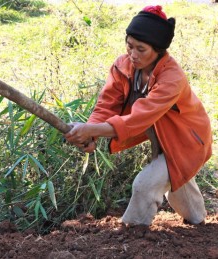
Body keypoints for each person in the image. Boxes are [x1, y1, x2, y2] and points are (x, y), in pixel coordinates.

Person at [64, 5, 212, 226]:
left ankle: (132, 232)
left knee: (145, 184)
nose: (132, 54)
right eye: (129, 46)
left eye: (141, 49)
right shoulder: (123, 66)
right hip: (162, 137)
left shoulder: (172, 78)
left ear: (158, 50)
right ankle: (200, 225)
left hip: (188, 140)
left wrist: (92, 130)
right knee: (176, 180)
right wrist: (91, 130)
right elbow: (107, 104)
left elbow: (138, 119)